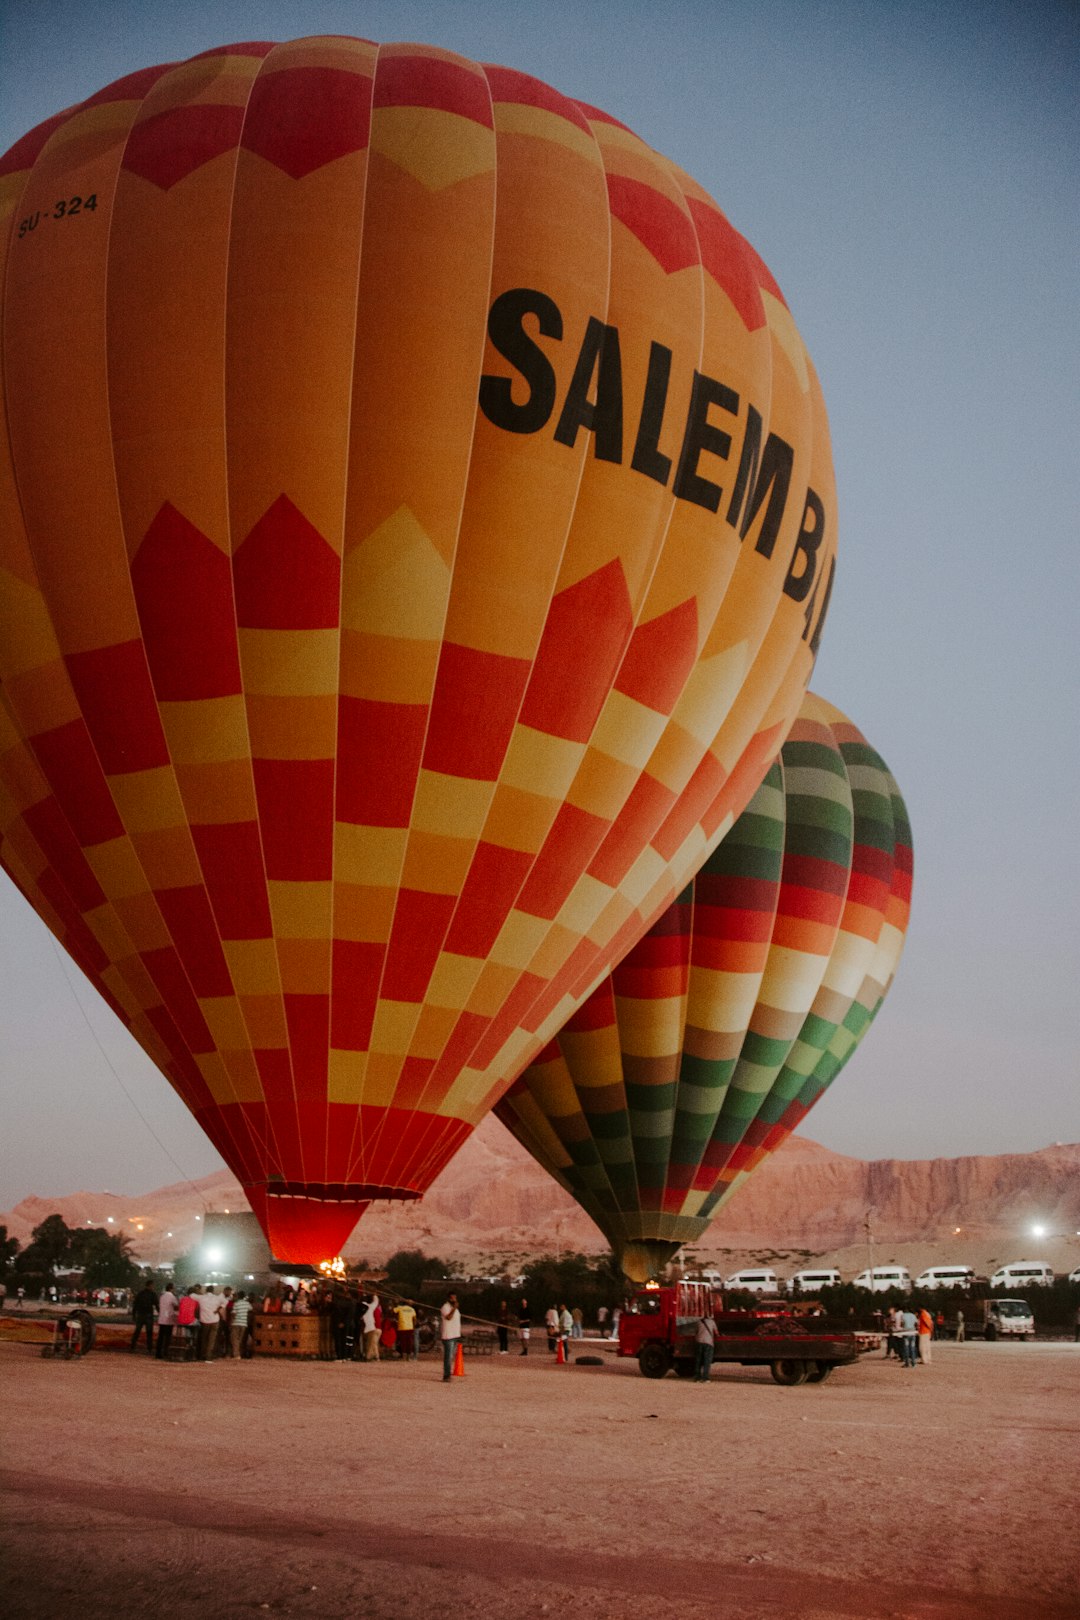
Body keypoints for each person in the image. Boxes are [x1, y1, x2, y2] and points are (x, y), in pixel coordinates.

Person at [196, 1284, 225, 1361]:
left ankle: (202, 1355)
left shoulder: (202, 1298)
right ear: (213, 1291)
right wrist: (218, 1309)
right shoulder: (216, 1298)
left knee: (204, 1338)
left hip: (204, 1320)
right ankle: (209, 1356)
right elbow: (224, 1303)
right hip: (214, 1320)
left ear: (206, 1290)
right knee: (211, 1339)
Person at [130, 1280, 158, 1355]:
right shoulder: (153, 1294)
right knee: (149, 1333)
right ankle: (149, 1349)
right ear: (150, 1285)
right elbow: (156, 1304)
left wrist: (133, 1315)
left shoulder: (141, 1293)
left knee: (137, 1332)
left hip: (141, 1315)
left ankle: (132, 1347)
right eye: (152, 1286)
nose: (153, 1287)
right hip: (148, 1315)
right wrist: (160, 1313)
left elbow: (135, 1305)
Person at [440, 1292, 461, 1382]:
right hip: (448, 1336)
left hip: (455, 1335)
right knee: (448, 1357)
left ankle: (448, 1374)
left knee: (451, 1356)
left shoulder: (455, 1309)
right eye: (452, 1298)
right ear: (448, 1299)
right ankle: (446, 1376)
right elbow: (448, 1317)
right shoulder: (445, 1307)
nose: (454, 1300)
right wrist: (454, 1308)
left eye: (455, 1298)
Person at [155, 1280, 179, 1360]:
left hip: (162, 1319)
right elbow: (176, 1305)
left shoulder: (162, 1296)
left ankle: (158, 1353)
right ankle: (165, 1352)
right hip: (168, 1319)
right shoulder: (172, 1297)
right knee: (167, 1337)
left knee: (161, 1337)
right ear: (172, 1289)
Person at [694, 1311, 716, 1383]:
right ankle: (705, 1378)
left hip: (699, 1342)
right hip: (708, 1342)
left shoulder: (698, 1322)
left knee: (698, 1360)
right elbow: (716, 1332)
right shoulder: (712, 1322)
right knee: (707, 1361)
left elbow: (696, 1332)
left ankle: (697, 1377)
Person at [229, 1291, 252, 1359]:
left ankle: (236, 1355)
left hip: (236, 1323)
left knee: (234, 1339)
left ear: (238, 1296)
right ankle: (239, 1353)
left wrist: (231, 1322)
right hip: (243, 1323)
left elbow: (233, 1313)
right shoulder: (247, 1303)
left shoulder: (236, 1303)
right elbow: (251, 1308)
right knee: (240, 1339)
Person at [361, 1293, 380, 1362]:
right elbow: (376, 1301)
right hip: (371, 1327)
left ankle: (369, 1357)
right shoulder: (370, 1307)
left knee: (370, 1343)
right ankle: (369, 1357)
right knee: (371, 1344)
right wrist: (375, 1295)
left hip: (367, 1328)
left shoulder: (362, 1307)